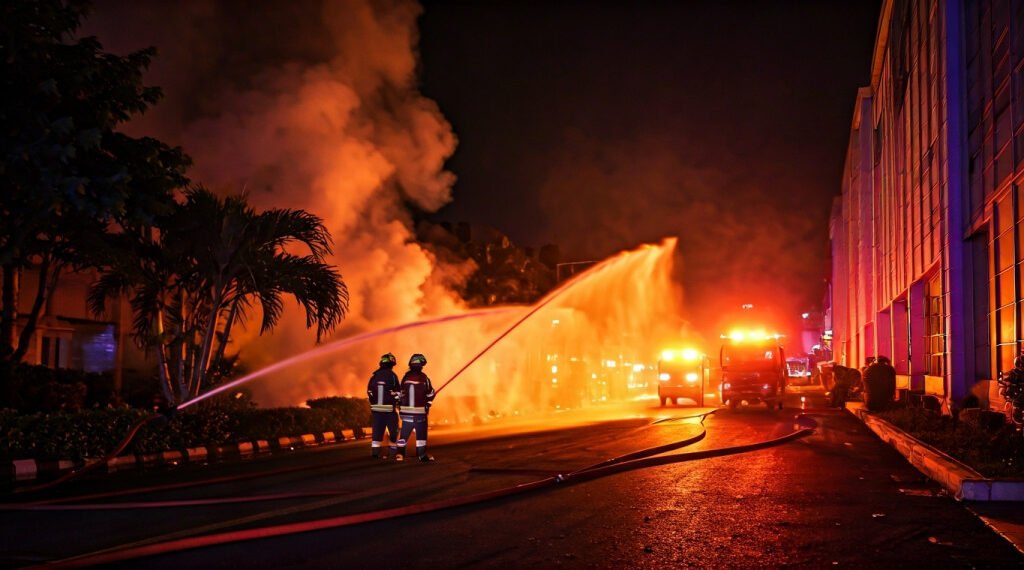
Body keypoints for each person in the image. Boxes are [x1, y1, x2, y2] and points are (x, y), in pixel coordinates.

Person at [395, 353, 436, 462]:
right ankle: (421, 455)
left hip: (406, 414)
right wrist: (428, 404)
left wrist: (400, 407)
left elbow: (400, 393)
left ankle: (400, 454)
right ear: (421, 365)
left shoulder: (405, 377)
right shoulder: (424, 378)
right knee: (421, 435)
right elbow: (430, 394)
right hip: (419, 414)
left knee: (403, 435)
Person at [367, 353, 402, 459]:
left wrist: (374, 404)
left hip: (377, 411)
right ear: (392, 363)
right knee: (393, 432)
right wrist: (396, 400)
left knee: (377, 434)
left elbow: (369, 392)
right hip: (389, 411)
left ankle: (375, 454)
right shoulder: (393, 376)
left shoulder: (374, 376)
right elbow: (399, 393)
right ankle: (392, 453)